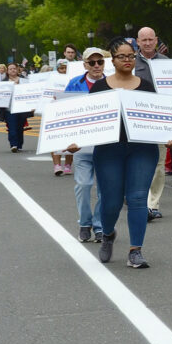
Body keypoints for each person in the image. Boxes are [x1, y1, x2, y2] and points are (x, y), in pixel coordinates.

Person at [85, 41, 168, 269]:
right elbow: (89, 121)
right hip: (109, 150)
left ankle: (136, 250)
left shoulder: (146, 86)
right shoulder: (100, 87)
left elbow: (157, 117)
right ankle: (108, 233)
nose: (127, 60)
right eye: (122, 56)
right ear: (112, 60)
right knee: (110, 203)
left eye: (131, 56)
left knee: (138, 198)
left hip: (141, 149)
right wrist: (74, 143)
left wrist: (170, 135)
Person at [65, 47, 108, 242]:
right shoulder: (75, 84)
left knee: (104, 190)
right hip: (82, 147)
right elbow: (64, 112)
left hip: (106, 146)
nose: (97, 66)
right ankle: (84, 223)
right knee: (83, 184)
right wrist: (66, 141)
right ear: (85, 65)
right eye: (92, 62)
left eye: (100, 62)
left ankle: (99, 226)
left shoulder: (111, 83)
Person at [131, 26, 171, 221]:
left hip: (160, 119)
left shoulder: (166, 63)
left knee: (158, 163)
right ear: (137, 42)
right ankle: (137, 199)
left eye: (150, 39)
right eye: (143, 40)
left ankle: (153, 205)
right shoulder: (130, 62)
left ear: (156, 41)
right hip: (136, 120)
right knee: (137, 162)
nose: (147, 43)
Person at [3, 63, 30, 153]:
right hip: (10, 108)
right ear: (7, 71)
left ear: (17, 70)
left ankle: (19, 144)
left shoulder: (24, 81)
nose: (12, 70)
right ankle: (13, 145)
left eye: (14, 68)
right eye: (10, 69)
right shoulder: (4, 82)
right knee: (12, 127)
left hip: (22, 108)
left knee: (20, 127)